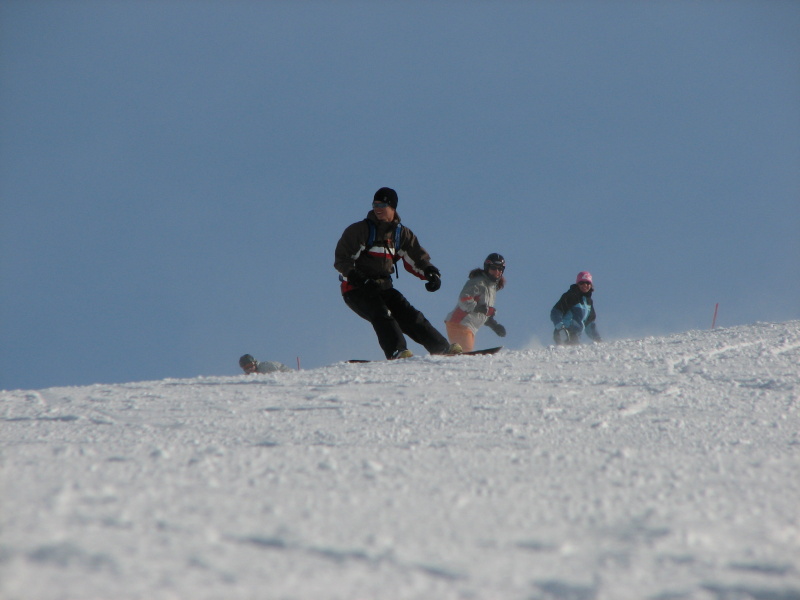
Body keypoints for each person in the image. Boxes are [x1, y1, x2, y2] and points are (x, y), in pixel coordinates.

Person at [334, 187, 462, 360]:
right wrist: (359, 279)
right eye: (375, 204)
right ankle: (397, 351)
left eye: (383, 204)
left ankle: (442, 349)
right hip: (356, 288)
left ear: (393, 207)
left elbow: (416, 257)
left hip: (383, 287)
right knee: (382, 314)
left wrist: (430, 273)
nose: (377, 208)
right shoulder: (360, 230)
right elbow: (342, 259)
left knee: (411, 315)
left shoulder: (400, 234)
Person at [444, 253, 507, 352]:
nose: (497, 272)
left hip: (469, 327)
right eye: (494, 268)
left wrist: (494, 325)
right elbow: (463, 299)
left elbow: (483, 312)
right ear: (487, 267)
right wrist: (478, 308)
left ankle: (446, 356)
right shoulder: (478, 282)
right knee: (465, 353)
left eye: (500, 269)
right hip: (460, 323)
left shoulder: (491, 288)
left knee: (463, 353)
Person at [550, 271, 602, 345]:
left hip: (575, 336)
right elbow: (555, 312)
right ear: (577, 284)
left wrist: (598, 339)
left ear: (591, 285)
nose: (585, 285)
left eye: (587, 283)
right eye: (581, 283)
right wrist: (561, 328)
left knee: (574, 353)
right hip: (564, 334)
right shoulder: (571, 296)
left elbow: (589, 324)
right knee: (565, 353)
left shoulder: (588, 302)